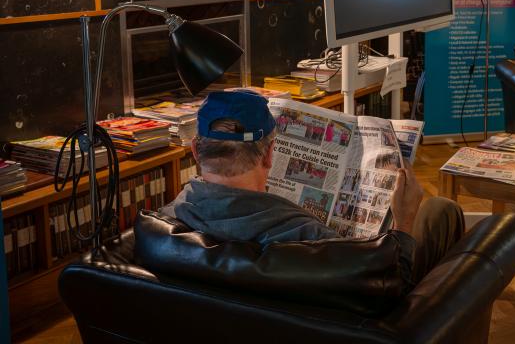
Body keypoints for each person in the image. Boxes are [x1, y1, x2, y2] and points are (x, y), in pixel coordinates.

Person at [160, 90, 465, 286]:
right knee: (442, 211)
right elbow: (391, 281)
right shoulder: (306, 237)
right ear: (269, 154)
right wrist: (404, 222)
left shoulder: (164, 224)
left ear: (195, 152)